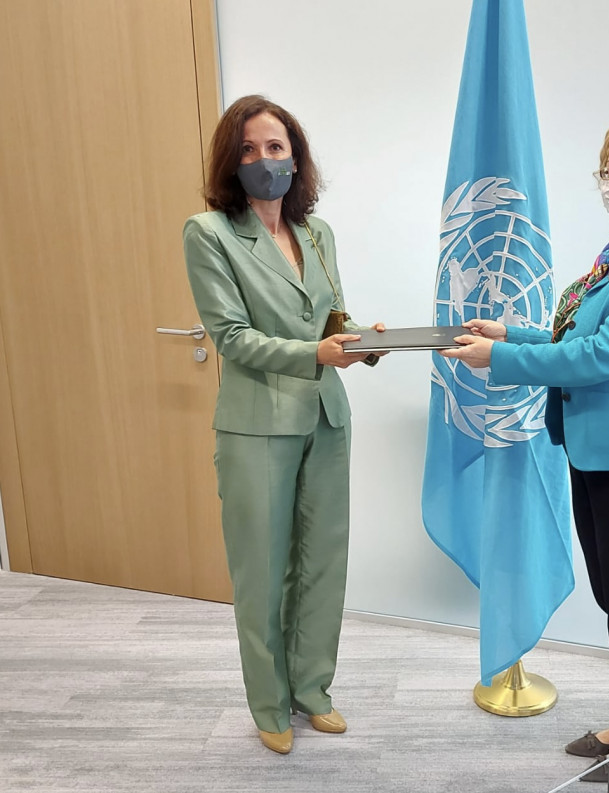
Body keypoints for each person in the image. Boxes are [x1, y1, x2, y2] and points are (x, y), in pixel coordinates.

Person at [440, 116, 609, 782]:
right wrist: (514, 332)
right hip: (602, 449)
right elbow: (577, 331)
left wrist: (501, 357)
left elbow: (608, 354)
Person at [183, 95, 384, 755]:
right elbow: (232, 338)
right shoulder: (209, 234)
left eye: (274, 147)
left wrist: (364, 340)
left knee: (323, 562)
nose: (264, 160)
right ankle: (269, 703)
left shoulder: (317, 233)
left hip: (327, 415)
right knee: (263, 572)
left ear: (295, 156)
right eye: (247, 150)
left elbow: (332, 319)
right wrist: (318, 354)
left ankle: (313, 689)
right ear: (229, 162)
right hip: (256, 426)